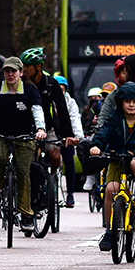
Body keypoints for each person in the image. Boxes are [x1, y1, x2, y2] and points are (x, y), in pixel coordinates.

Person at [0, 57, 44, 230]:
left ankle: (26, 215)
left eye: (14, 71)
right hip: (0, 134)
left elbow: (37, 111)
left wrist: (40, 129)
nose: (10, 74)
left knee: (23, 172)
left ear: (21, 72)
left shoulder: (29, 89)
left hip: (24, 137)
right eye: (7, 71)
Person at [89, 82, 135, 250]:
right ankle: (109, 231)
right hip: (117, 158)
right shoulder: (114, 117)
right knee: (110, 189)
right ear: (121, 102)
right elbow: (103, 133)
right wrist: (96, 145)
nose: (131, 105)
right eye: (127, 101)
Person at [20, 47, 78, 190]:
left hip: (47, 128)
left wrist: (68, 135)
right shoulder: (20, 84)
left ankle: (50, 181)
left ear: (38, 66)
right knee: (27, 162)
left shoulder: (51, 84)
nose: (24, 69)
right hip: (25, 128)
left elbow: (62, 110)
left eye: (28, 66)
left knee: (55, 156)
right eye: (23, 66)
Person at [55, 75, 84, 207]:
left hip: (67, 135)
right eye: (57, 89)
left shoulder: (70, 102)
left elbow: (75, 118)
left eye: (62, 89)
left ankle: (70, 193)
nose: (60, 92)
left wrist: (77, 137)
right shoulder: (48, 100)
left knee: (69, 161)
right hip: (50, 134)